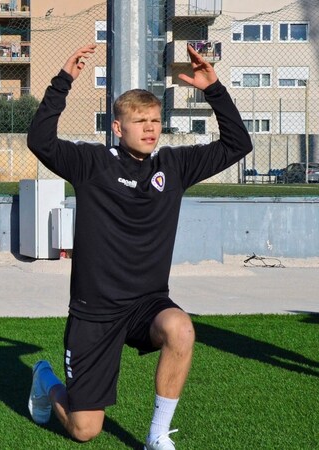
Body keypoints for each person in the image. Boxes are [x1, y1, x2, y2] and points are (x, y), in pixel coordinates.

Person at [25, 43, 252, 449]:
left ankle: (157, 435)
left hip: (147, 304)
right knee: (84, 431)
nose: (150, 128)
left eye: (155, 120)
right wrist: (63, 80)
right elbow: (40, 142)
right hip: (95, 312)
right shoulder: (92, 164)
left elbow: (237, 145)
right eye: (139, 121)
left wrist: (213, 88)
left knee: (181, 328)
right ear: (117, 128)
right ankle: (45, 379)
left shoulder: (174, 167)